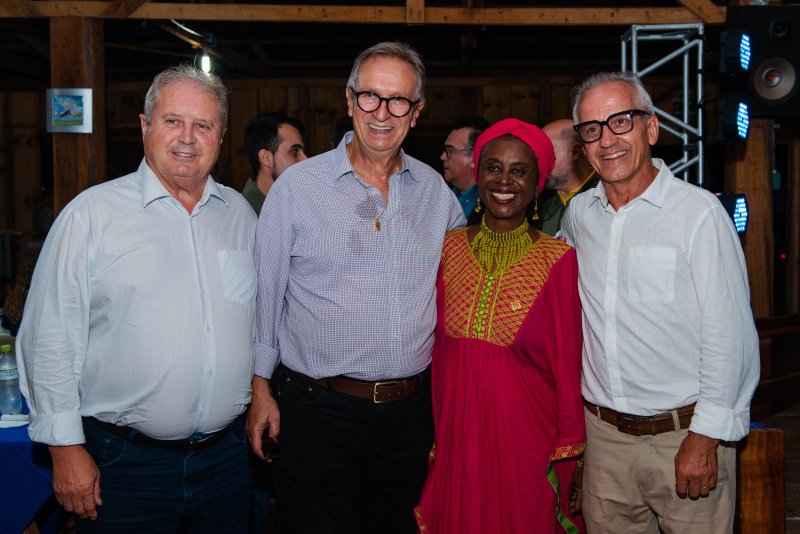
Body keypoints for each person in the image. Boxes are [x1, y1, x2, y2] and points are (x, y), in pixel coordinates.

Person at [17, 65, 257, 532]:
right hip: (124, 466)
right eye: (173, 121)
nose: (187, 137)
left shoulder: (240, 216)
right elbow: (49, 339)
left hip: (226, 462)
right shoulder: (91, 216)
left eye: (203, 125)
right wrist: (65, 449)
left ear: (221, 137)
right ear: (145, 126)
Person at [246, 41, 465, 534]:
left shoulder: (437, 195)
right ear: (349, 101)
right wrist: (260, 388)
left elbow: (458, 291)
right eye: (370, 96)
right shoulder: (296, 189)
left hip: (409, 416)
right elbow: (266, 297)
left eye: (398, 100)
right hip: (317, 410)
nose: (382, 113)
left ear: (417, 112)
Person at [560, 71, 760, 533]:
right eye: (592, 129)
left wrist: (705, 437)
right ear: (582, 146)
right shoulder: (579, 216)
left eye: (621, 121)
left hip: (684, 437)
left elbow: (730, 336)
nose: (607, 140)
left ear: (650, 128)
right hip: (604, 441)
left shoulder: (698, 214)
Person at [415, 118, 585, 534]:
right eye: (493, 167)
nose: (504, 181)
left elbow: (569, 368)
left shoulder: (559, 261)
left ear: (537, 183)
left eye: (519, 170)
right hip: (459, 442)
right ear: (479, 173)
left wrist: (573, 453)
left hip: (527, 449)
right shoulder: (447, 249)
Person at [539, 119, 599, 236]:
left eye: (547, 153)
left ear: (575, 152)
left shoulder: (605, 198)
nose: (540, 163)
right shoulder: (541, 205)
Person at [242, 112, 307, 214]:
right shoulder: (241, 215)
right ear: (266, 158)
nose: (305, 159)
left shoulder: (296, 207)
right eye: (294, 151)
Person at [440, 116, 490, 222]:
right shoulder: (444, 196)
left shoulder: (490, 205)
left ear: (475, 157)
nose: (442, 157)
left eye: (450, 151)